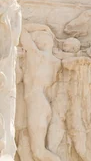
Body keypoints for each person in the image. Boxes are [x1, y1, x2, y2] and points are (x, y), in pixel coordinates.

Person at [20, 24, 62, 161]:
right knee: (23, 144)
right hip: (44, 104)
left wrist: (43, 27)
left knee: (38, 152)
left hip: (36, 103)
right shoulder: (55, 62)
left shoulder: (35, 55)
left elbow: (22, 29)